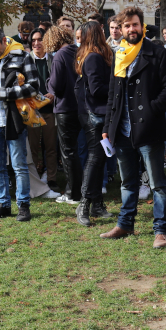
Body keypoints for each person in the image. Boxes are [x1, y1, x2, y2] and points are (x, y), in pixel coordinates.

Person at [100, 6, 166, 247]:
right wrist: (108, 125)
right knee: (127, 181)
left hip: (148, 129)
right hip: (121, 131)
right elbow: (113, 94)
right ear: (121, 29)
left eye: (135, 25)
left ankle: (160, 230)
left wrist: (153, 108)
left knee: (157, 183)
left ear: (142, 26)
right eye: (127, 26)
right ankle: (125, 224)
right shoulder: (119, 54)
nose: (131, 29)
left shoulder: (155, 52)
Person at [0, 26, 39, 221]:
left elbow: (34, 87)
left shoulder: (22, 56)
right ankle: (3, 204)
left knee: (19, 165)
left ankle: (23, 206)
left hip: (14, 118)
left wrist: (3, 93)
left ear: (4, 40)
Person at [73, 21, 114, 226]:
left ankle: (96, 203)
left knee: (99, 159)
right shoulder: (94, 58)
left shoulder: (92, 56)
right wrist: (117, 90)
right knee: (95, 157)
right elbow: (96, 89)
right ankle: (85, 203)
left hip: (94, 113)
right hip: (95, 115)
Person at [45, 24, 82, 205]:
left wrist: (48, 84)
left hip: (65, 107)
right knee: (78, 151)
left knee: (68, 152)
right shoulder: (78, 51)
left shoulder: (60, 55)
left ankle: (72, 193)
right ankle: (80, 190)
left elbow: (56, 86)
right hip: (80, 107)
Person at [27, 28, 57, 185]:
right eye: (33, 40)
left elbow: (59, 81)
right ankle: (33, 179)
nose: (36, 43)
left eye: (39, 40)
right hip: (32, 111)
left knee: (51, 147)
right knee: (32, 148)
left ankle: (51, 178)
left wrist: (53, 94)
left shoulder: (54, 59)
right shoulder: (26, 60)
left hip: (50, 111)